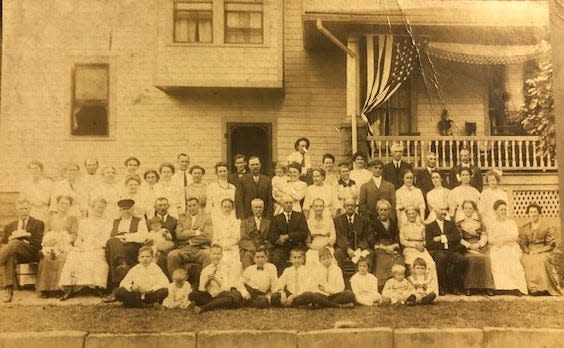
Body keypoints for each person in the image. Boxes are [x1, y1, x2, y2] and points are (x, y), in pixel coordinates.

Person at [58, 198, 112, 300]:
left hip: (98, 246)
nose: (100, 210)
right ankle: (71, 288)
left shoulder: (107, 223)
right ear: (92, 208)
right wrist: (79, 246)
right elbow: (79, 238)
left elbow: (106, 238)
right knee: (72, 256)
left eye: (102, 208)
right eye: (98, 207)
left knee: (96, 257)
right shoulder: (83, 222)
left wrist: (96, 244)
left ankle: (97, 286)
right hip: (84, 247)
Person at [104, 199, 149, 301]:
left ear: (133, 209)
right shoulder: (115, 221)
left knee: (119, 248)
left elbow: (143, 236)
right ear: (120, 210)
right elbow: (109, 236)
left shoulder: (139, 220)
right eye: (123, 209)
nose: (126, 211)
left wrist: (126, 237)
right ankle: (122, 263)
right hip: (116, 245)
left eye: (128, 209)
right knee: (113, 242)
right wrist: (118, 239)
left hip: (132, 246)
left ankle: (117, 285)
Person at [0, 200, 44, 302]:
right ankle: (8, 289)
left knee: (15, 243)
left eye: (26, 208)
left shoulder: (38, 223)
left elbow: (38, 243)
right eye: (21, 209)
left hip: (31, 252)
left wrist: (26, 236)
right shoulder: (10, 225)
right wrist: (12, 238)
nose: (24, 211)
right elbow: (4, 242)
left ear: (30, 209)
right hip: (15, 253)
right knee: (9, 256)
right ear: (17, 210)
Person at [36, 195, 78, 297]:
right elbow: (45, 234)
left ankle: (60, 289)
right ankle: (45, 289)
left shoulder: (72, 219)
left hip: (65, 244)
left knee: (62, 259)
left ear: (70, 206)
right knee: (47, 258)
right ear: (57, 205)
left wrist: (64, 240)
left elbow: (74, 234)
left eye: (66, 204)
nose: (63, 206)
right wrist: (48, 241)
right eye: (61, 203)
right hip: (51, 244)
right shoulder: (50, 218)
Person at [189, 244, 248, 314]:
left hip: (224, 295)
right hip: (210, 296)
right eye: (214, 254)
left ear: (222, 255)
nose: (216, 256)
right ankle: (216, 304)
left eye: (218, 254)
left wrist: (216, 280)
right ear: (210, 255)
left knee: (234, 296)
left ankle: (204, 307)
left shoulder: (227, 268)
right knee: (192, 295)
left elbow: (229, 287)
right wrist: (208, 281)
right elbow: (202, 289)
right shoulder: (205, 270)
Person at [519, 203, 562, 296]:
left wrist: (538, 251)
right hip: (529, 251)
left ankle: (543, 288)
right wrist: (528, 251)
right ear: (528, 214)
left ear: (539, 213)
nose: (533, 214)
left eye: (535, 212)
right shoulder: (525, 227)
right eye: (530, 212)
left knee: (541, 260)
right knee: (524, 260)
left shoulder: (546, 226)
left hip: (543, 250)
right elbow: (522, 243)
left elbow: (550, 245)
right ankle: (531, 289)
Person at [488, 200, 528, 296]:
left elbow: (514, 236)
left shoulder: (511, 222)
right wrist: (498, 242)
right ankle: (499, 288)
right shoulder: (492, 224)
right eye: (501, 210)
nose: (503, 212)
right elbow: (490, 239)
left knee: (512, 259)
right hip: (497, 247)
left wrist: (503, 241)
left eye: (505, 210)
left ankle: (516, 287)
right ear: (495, 211)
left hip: (511, 246)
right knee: (496, 258)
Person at [425, 203, 466, 295]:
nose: (444, 212)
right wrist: (446, 242)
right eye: (441, 210)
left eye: (445, 210)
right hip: (437, 251)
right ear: (435, 211)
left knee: (461, 259)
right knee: (441, 258)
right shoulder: (429, 226)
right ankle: (442, 287)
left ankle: (454, 286)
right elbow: (429, 244)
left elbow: (457, 237)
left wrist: (441, 238)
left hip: (451, 251)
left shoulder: (451, 224)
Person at [167, 197, 213, 275]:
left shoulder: (206, 218)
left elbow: (208, 237)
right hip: (184, 249)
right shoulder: (182, 218)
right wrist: (195, 232)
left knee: (208, 254)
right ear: (187, 207)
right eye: (189, 206)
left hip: (200, 249)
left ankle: (204, 283)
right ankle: (176, 282)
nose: (192, 208)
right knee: (172, 255)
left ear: (198, 206)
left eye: (194, 205)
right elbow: (179, 235)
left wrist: (190, 240)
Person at [457, 200, 495, 296]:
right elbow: (459, 238)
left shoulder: (479, 223)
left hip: (479, 246)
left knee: (486, 258)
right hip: (466, 247)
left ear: (474, 210)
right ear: (463, 209)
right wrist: (469, 245)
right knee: (471, 259)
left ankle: (487, 286)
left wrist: (479, 244)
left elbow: (484, 236)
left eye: (470, 208)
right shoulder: (459, 224)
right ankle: (469, 287)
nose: (468, 210)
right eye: (466, 208)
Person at [399, 206, 438, 292]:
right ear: (406, 215)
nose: (411, 215)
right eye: (409, 214)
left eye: (413, 213)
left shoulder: (421, 226)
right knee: (413, 263)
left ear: (417, 214)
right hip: (409, 248)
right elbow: (402, 241)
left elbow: (425, 239)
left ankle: (431, 290)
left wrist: (423, 244)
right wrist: (414, 245)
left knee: (431, 263)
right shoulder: (403, 227)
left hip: (421, 248)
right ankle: (414, 289)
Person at [268, 195, 309, 275]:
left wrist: (288, 236)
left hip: (297, 246)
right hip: (281, 247)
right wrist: (280, 240)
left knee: (301, 257)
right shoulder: (276, 218)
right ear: (282, 205)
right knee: (277, 258)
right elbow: (272, 236)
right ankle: (282, 282)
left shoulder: (300, 216)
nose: (288, 205)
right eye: (286, 203)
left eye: (290, 203)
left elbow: (304, 233)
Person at [368, 199, 403, 288]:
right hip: (380, 248)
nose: (383, 212)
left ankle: (397, 285)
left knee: (398, 260)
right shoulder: (373, 223)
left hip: (392, 248)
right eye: (381, 210)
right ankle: (382, 286)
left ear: (389, 211)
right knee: (383, 260)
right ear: (377, 211)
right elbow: (371, 239)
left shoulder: (393, 223)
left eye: (385, 210)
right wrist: (384, 248)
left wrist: (392, 246)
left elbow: (397, 238)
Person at [333, 197, 372, 269]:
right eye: (347, 205)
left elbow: (367, 236)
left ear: (355, 207)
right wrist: (347, 249)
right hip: (344, 248)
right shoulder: (337, 220)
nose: (350, 207)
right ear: (344, 207)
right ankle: (341, 277)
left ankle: (362, 277)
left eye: (352, 205)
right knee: (337, 253)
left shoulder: (364, 220)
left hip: (360, 248)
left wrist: (360, 248)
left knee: (369, 254)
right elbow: (339, 236)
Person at [239, 198, 271, 269]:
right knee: (246, 257)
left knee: (267, 257)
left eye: (260, 207)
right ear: (252, 208)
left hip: (264, 249)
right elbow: (243, 240)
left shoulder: (268, 223)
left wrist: (263, 246)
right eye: (256, 207)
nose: (258, 209)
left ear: (263, 208)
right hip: (251, 250)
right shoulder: (245, 222)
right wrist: (255, 248)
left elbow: (270, 239)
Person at [212, 198, 242, 272]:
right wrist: (221, 246)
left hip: (233, 246)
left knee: (234, 262)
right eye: (225, 207)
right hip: (220, 245)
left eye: (229, 207)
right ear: (221, 208)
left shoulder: (237, 222)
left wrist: (229, 245)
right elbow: (215, 237)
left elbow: (238, 237)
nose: (227, 209)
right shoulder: (217, 221)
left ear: (232, 208)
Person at [305, 199, 336, 267]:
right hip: (314, 247)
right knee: (310, 257)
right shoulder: (309, 221)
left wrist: (324, 246)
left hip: (327, 246)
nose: (319, 208)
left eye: (321, 206)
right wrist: (312, 247)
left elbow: (333, 237)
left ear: (324, 207)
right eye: (316, 206)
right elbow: (307, 241)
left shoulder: (329, 220)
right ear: (312, 207)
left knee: (327, 258)